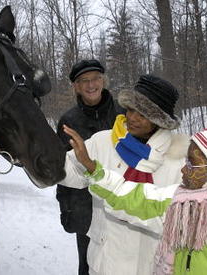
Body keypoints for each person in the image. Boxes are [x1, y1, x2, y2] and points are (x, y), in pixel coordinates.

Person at [59, 74, 189, 275]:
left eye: (143, 114)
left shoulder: (176, 161)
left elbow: (171, 220)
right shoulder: (104, 141)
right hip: (105, 262)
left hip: (148, 264)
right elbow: (67, 170)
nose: (132, 118)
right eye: (130, 110)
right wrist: (30, 151)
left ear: (159, 120)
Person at [71, 116, 207, 275]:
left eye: (191, 163)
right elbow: (136, 199)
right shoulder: (182, 202)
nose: (183, 170)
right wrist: (93, 168)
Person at [56, 59, 124, 275]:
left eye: (95, 78)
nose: (91, 84)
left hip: (123, 203)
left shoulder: (124, 114)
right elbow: (63, 169)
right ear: (76, 86)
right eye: (84, 80)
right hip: (86, 209)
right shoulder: (68, 121)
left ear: (103, 80)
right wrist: (67, 209)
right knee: (89, 264)